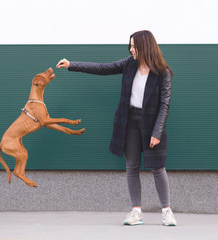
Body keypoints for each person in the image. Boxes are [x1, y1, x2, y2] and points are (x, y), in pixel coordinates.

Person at [56, 30, 177, 226]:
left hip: (152, 124)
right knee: (132, 167)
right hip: (129, 121)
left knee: (158, 168)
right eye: (129, 46)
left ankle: (167, 211)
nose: (131, 49)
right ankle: (136, 211)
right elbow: (103, 68)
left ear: (145, 47)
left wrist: (157, 132)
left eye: (134, 46)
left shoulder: (162, 72)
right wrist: (72, 65)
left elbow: (165, 104)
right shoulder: (129, 64)